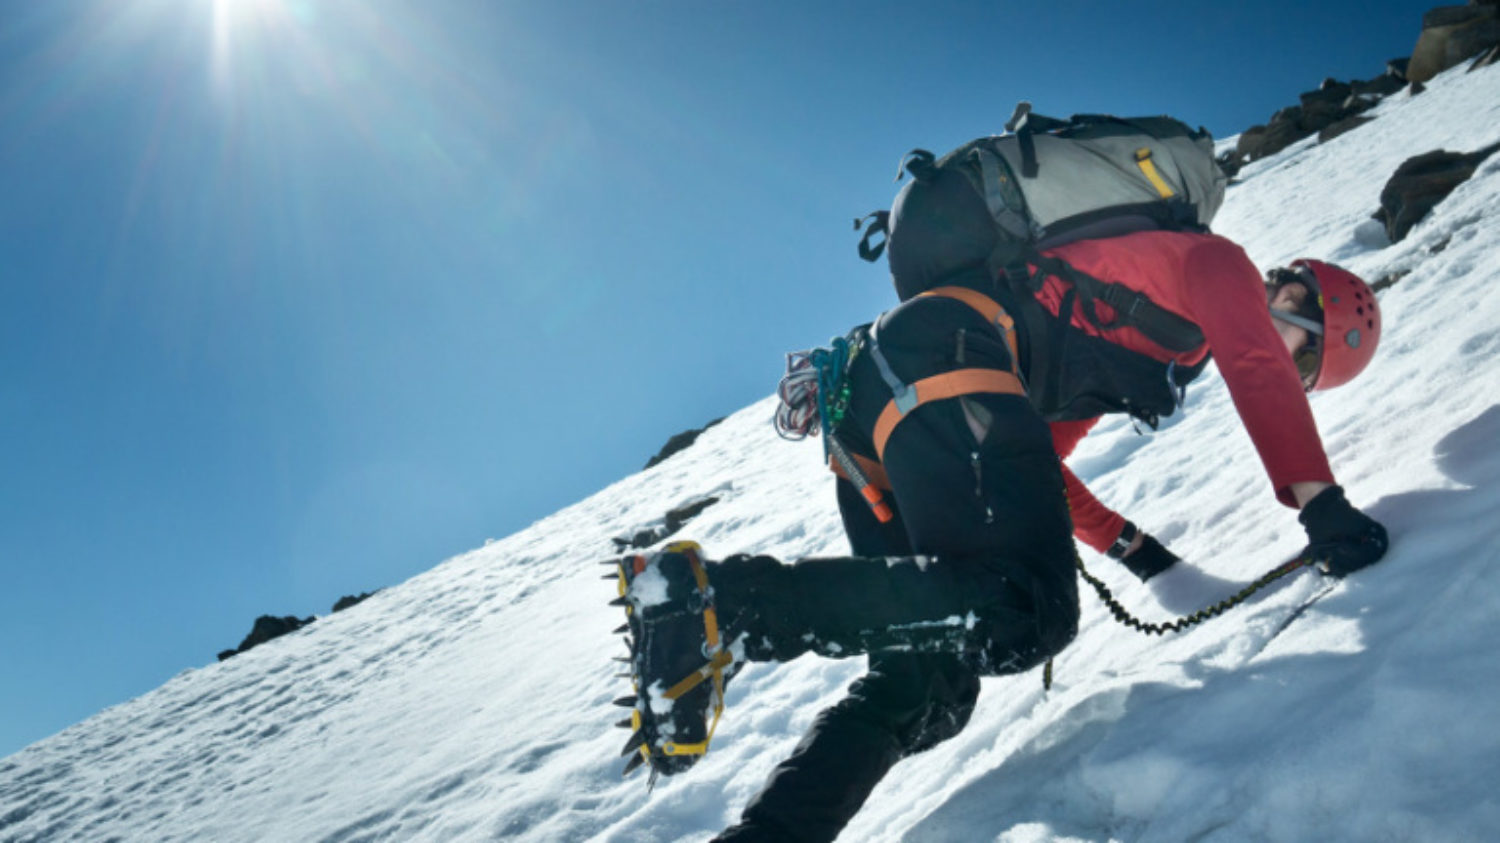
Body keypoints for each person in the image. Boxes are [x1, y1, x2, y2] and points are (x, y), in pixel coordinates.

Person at [612, 161, 1390, 842]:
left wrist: (1142, 554)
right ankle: (720, 603)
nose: (1295, 367)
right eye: (1306, 349)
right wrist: (1321, 504)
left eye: (1308, 369)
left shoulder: (1151, 338)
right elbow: (1255, 360)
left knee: (929, 685)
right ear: (1298, 298)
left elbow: (1039, 464)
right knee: (1028, 609)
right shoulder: (1216, 264)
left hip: (885, 392)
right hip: (943, 357)